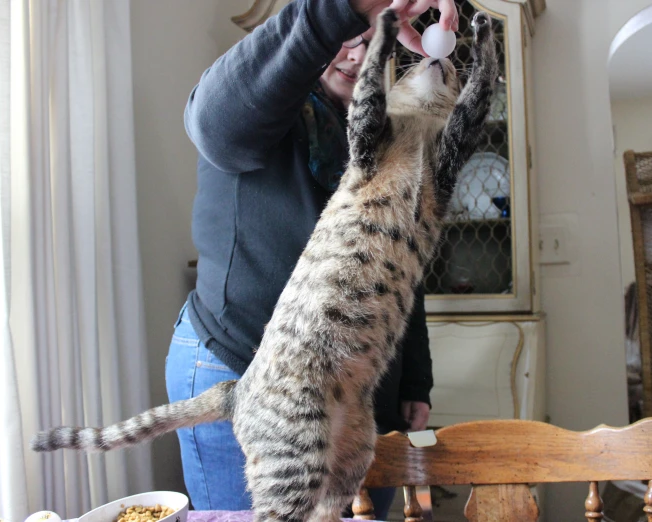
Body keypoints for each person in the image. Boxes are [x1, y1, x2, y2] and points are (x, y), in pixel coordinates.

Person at [165, 0, 459, 517]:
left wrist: (415, 379)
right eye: (347, 34)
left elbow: (397, 266)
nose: (356, 50)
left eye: (371, 38)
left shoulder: (388, 131)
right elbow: (210, 123)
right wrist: (341, 10)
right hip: (238, 363)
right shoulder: (258, 106)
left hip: (356, 388)